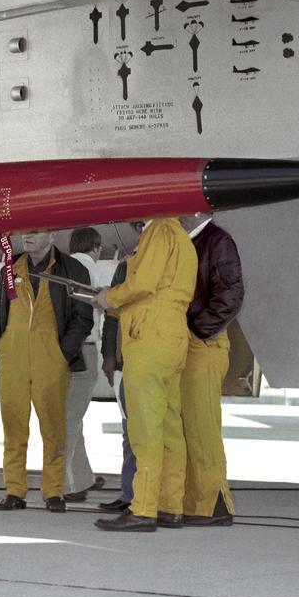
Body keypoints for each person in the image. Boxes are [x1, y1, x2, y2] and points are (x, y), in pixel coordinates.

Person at [91, 218, 196, 532]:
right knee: (169, 428)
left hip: (149, 338)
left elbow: (144, 283)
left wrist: (108, 298)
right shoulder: (181, 236)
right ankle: (170, 506)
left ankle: (143, 509)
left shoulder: (158, 231)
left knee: (144, 429)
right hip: (174, 335)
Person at [0, 229, 94, 513]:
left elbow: (83, 317)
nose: (27, 236)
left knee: (53, 428)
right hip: (13, 358)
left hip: (51, 360)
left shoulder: (73, 270)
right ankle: (14, 491)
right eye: (26, 232)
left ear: (52, 236)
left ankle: (54, 491)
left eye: (36, 232)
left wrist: (62, 354)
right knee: (13, 426)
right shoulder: (11, 269)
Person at [178, 212, 244, 527]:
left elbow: (231, 296)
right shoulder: (187, 241)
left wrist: (197, 331)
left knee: (202, 429)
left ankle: (212, 505)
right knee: (184, 428)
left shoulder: (218, 241)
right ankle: (191, 501)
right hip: (184, 345)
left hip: (203, 346)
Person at [63, 227, 109, 502]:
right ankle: (64, 486)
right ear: (97, 247)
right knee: (70, 419)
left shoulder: (66, 267)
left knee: (71, 417)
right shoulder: (92, 269)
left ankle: (81, 479)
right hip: (84, 350)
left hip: (67, 350)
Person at [97, 255, 134, 513]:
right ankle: (129, 494)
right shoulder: (125, 268)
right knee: (129, 434)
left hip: (150, 359)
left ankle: (142, 496)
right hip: (124, 362)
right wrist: (109, 355)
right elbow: (112, 316)